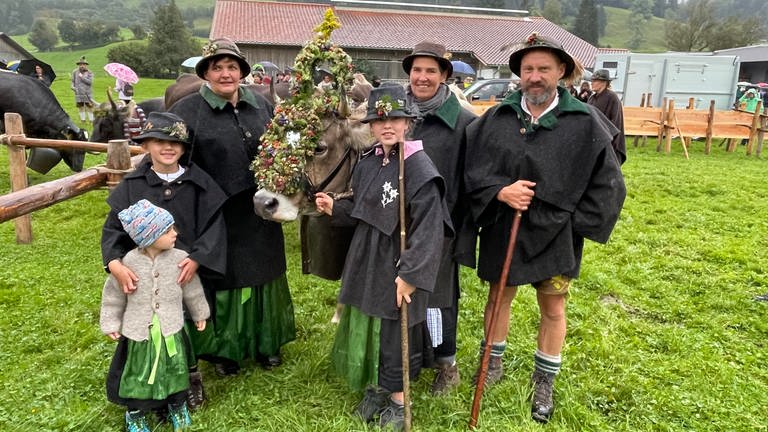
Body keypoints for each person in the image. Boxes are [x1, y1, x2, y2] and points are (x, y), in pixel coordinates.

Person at [464, 33, 626, 424]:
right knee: (498, 297)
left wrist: (572, 221)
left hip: (556, 234)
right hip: (505, 225)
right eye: (527, 69)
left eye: (543, 69)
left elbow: (610, 183)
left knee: (553, 306)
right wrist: (500, 191)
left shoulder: (584, 121)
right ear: (519, 73)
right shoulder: (497, 119)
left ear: (562, 73)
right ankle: (493, 364)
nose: (534, 77)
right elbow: (471, 171)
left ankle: (544, 379)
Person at [315, 84, 453, 431]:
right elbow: (365, 208)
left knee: (394, 329)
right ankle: (377, 387)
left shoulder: (419, 167)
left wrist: (410, 274)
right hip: (367, 258)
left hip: (397, 261)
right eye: (380, 120)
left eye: (395, 118)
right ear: (372, 126)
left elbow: (429, 229)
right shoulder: (369, 161)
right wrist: (337, 207)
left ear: (408, 122)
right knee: (371, 325)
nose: (387, 125)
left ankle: (397, 399)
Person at [169, 38, 296, 376]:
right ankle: (226, 351)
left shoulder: (262, 104)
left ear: (242, 71)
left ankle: (265, 343)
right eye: (217, 67)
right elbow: (175, 163)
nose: (225, 74)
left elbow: (280, 146)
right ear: (207, 72)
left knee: (265, 273)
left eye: (231, 67)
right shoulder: (186, 111)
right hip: (217, 213)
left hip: (262, 210)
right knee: (226, 278)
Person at [101, 111, 227, 411]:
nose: (167, 148)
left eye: (175, 142)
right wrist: (115, 264)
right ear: (145, 146)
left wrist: (197, 259)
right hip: (145, 274)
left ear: (183, 148)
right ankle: (142, 381)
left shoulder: (199, 183)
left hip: (185, 271)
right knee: (146, 326)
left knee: (184, 325)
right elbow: (113, 230)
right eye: (158, 141)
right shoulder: (133, 185)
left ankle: (190, 375)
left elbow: (214, 226)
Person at [401, 40, 477, 395]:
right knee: (401, 290)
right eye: (417, 70)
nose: (422, 77)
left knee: (438, 298)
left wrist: (459, 227)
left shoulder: (462, 122)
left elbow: (471, 177)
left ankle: (446, 364)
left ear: (445, 76)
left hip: (442, 226)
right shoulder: (396, 115)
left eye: (431, 70)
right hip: (398, 223)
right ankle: (408, 355)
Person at [100, 199, 211, 432]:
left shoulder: (180, 257)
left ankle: (177, 406)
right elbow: (114, 294)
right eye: (168, 230)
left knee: (176, 370)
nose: (175, 233)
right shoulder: (128, 262)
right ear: (149, 236)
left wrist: (200, 312)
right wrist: (110, 320)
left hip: (171, 330)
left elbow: (191, 287)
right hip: (140, 336)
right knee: (137, 375)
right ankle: (136, 413)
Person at [587, 69, 627, 164]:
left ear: (604, 82)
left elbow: (616, 122)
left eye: (595, 81)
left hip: (608, 140)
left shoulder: (612, 98)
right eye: (592, 81)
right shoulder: (592, 98)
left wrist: (608, 141)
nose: (592, 83)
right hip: (593, 139)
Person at [71, 56, 94, 124]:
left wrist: (82, 77)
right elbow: (72, 81)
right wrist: (72, 86)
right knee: (80, 106)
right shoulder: (74, 72)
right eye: (80, 64)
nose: (82, 66)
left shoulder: (90, 72)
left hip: (87, 93)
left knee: (89, 107)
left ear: (86, 65)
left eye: (83, 64)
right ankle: (83, 120)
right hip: (78, 93)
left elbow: (90, 82)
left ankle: (91, 120)